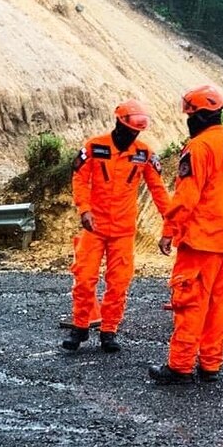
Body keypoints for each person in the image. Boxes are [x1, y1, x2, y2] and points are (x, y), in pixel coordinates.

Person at [148, 85, 223, 384]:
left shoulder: (199, 148)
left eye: (189, 116)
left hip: (202, 240)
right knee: (220, 306)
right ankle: (210, 365)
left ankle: (180, 366)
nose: (188, 122)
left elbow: (186, 197)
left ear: (199, 117)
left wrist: (170, 230)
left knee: (191, 302)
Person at [64, 99, 170, 353]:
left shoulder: (144, 153)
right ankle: (79, 326)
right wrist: (84, 209)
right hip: (95, 227)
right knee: (84, 278)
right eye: (130, 129)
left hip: (123, 231)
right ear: (119, 124)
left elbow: (159, 192)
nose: (133, 135)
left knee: (119, 282)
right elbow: (80, 178)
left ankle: (109, 331)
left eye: (137, 131)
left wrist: (171, 226)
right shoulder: (94, 146)